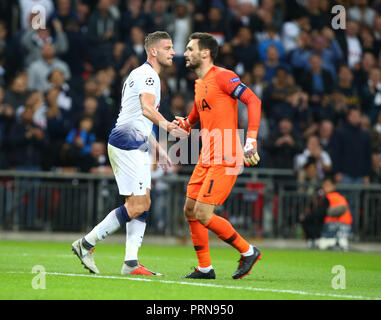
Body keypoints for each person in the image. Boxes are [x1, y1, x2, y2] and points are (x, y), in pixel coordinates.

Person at [71, 31, 187, 275]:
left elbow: (135, 116)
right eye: (168, 48)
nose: (173, 52)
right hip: (128, 145)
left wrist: (158, 149)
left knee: (141, 203)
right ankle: (86, 243)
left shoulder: (137, 75)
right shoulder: (149, 76)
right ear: (153, 51)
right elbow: (146, 109)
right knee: (137, 205)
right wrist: (167, 125)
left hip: (135, 142)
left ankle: (131, 263)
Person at [175, 32, 262, 280]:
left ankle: (248, 251)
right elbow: (198, 112)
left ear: (205, 53)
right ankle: (205, 268)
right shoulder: (199, 83)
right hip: (206, 155)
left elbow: (253, 101)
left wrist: (251, 140)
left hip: (226, 155)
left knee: (203, 213)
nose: (185, 53)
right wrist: (186, 123)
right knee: (190, 210)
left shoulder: (224, 76)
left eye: (190, 49)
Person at [299, 175, 352, 251]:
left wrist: (307, 217)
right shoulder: (340, 197)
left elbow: (322, 212)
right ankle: (335, 241)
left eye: (327, 185)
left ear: (334, 186)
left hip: (334, 225)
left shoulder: (329, 197)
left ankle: (322, 242)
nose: (324, 187)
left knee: (310, 221)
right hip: (347, 227)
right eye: (324, 185)